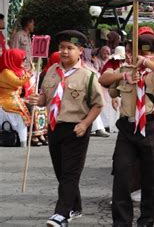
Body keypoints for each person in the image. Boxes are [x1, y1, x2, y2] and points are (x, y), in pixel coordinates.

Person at [28, 30, 104, 227]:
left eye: (69, 48)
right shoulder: (52, 71)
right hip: (55, 127)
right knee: (61, 172)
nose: (64, 51)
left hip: (76, 128)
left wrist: (86, 124)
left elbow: (98, 104)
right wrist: (39, 100)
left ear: (80, 50)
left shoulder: (88, 76)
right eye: (61, 47)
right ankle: (75, 206)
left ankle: (61, 214)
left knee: (70, 173)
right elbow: (46, 96)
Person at [99, 33, 154, 227]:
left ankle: (146, 220)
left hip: (151, 127)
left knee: (150, 177)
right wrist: (123, 75)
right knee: (122, 173)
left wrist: (147, 64)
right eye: (135, 52)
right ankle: (122, 221)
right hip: (128, 128)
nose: (138, 56)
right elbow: (104, 80)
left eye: (144, 52)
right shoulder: (125, 69)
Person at [0, 49, 31, 146]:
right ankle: (23, 142)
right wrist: (29, 74)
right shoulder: (6, 72)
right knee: (22, 115)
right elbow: (18, 82)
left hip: (14, 99)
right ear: (14, 59)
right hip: (8, 101)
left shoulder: (15, 70)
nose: (24, 61)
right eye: (22, 59)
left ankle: (24, 141)